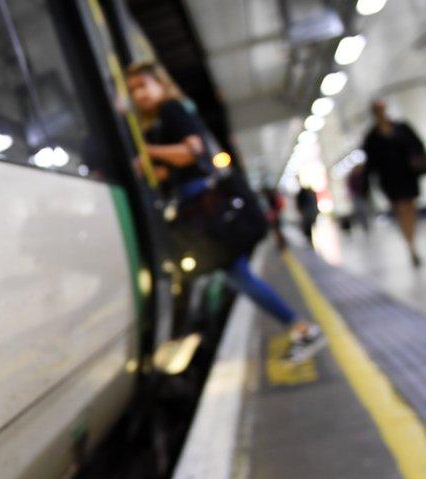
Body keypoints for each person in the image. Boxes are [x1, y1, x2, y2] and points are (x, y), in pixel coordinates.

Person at [125, 61, 325, 363]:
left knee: (234, 274)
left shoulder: (171, 110)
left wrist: (146, 153)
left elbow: (191, 152)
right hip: (198, 211)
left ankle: (302, 328)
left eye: (143, 85)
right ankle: (298, 327)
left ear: (159, 84)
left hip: (203, 213)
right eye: (132, 90)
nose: (139, 94)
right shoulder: (160, 121)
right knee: (234, 275)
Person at [362, 99, 426, 266]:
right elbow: (370, 164)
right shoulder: (371, 137)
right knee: (400, 209)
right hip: (389, 180)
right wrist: (367, 187)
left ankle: (411, 238)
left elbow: (418, 145)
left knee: (410, 207)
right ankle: (411, 245)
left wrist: (418, 159)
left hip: (408, 175)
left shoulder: (402, 128)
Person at [346, 163, 371, 233]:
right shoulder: (352, 177)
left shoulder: (362, 176)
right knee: (359, 210)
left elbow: (366, 185)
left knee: (364, 210)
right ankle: (363, 224)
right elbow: (350, 187)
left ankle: (366, 224)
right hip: (356, 196)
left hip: (363, 195)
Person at [295, 184, 318, 248]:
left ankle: (309, 240)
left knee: (307, 227)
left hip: (307, 214)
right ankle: (309, 240)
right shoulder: (310, 194)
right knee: (309, 227)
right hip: (310, 213)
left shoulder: (302, 194)